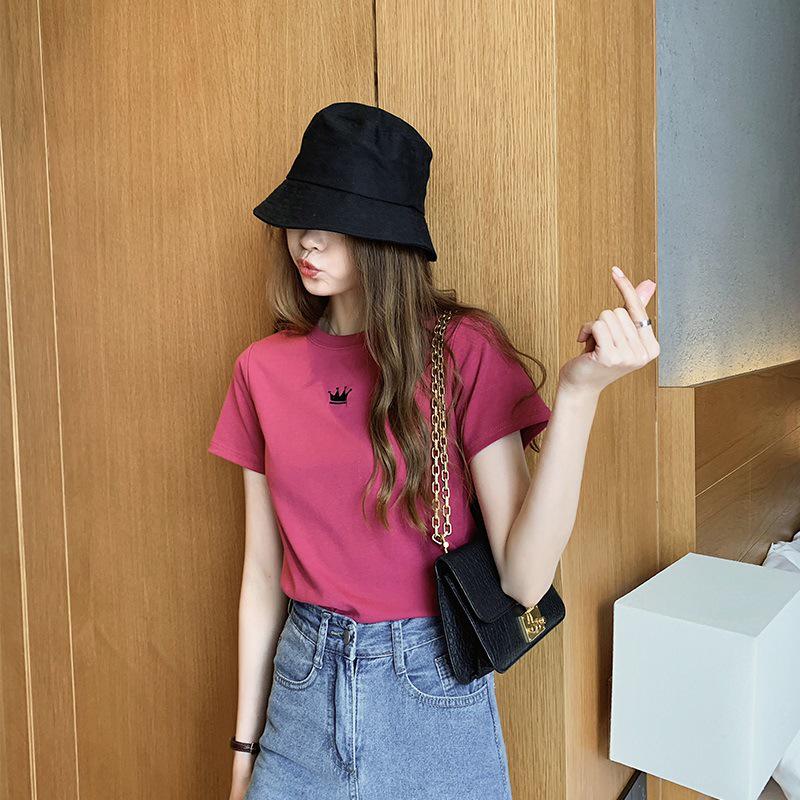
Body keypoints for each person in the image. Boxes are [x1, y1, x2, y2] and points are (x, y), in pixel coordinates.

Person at [208, 102, 659, 800]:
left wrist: (579, 395)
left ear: (387, 236)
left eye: (336, 221)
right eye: (302, 216)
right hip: (300, 694)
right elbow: (262, 577)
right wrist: (245, 755)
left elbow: (524, 580)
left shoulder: (461, 352)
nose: (308, 241)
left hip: (429, 689)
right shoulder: (260, 371)